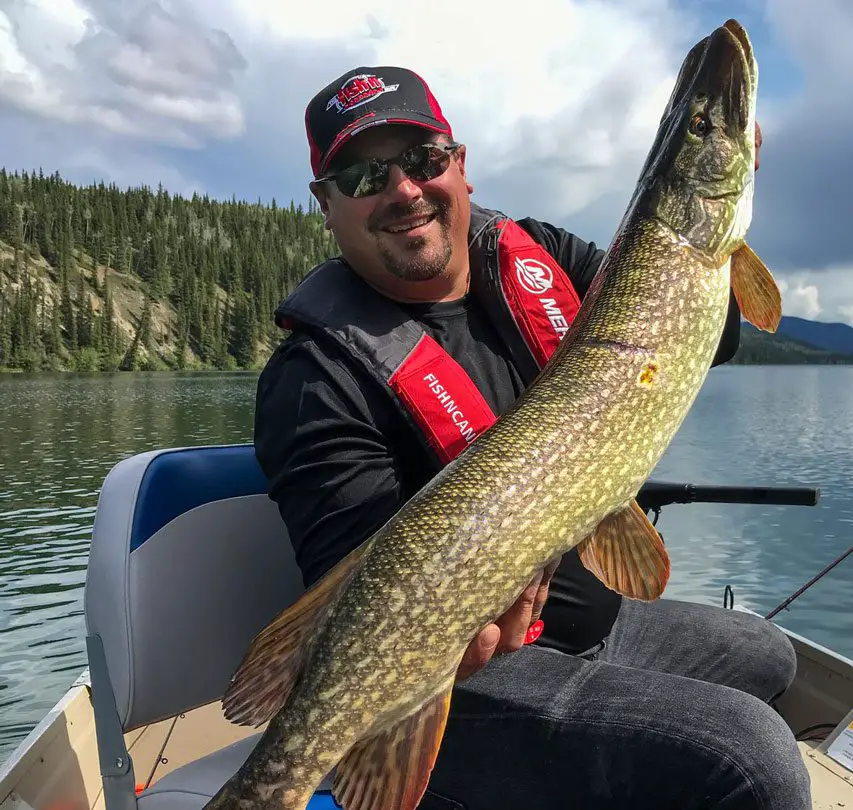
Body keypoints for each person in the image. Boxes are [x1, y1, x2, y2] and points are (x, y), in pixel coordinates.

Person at [253, 64, 812, 809]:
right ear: (326, 205)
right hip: (472, 676)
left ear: (460, 166)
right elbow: (355, 587)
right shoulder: (314, 379)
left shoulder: (537, 254)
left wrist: (723, 223)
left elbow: (714, 338)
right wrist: (457, 639)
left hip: (596, 621)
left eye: (423, 161)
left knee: (764, 654)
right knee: (752, 758)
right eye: (362, 177)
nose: (404, 191)